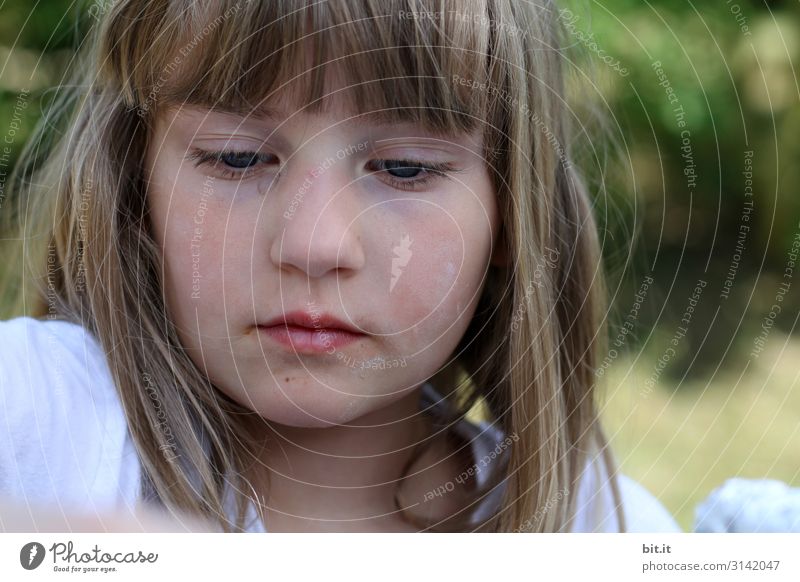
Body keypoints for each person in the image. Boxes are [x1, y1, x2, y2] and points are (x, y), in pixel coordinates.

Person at [0, 0, 680, 533]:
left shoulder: (602, 529)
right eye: (236, 157)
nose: (314, 245)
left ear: (509, 209)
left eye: (405, 167)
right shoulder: (41, 414)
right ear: (134, 184)